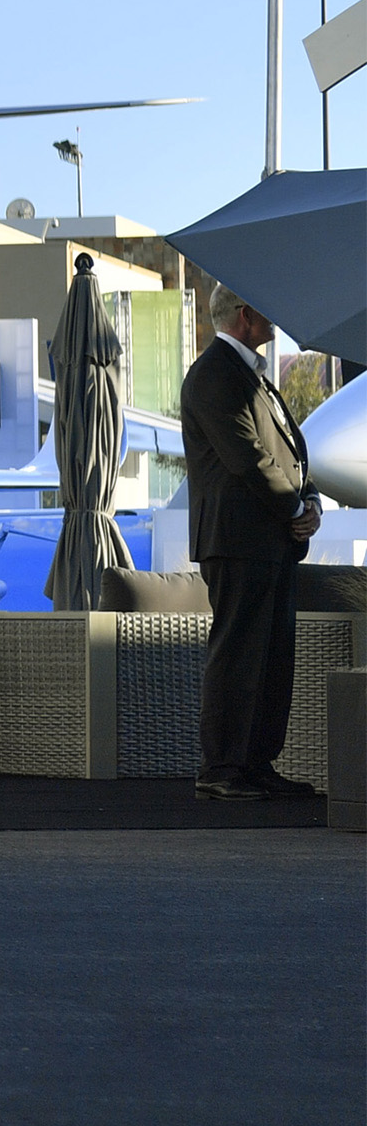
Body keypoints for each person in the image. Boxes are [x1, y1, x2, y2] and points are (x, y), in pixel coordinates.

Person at [183, 283, 320, 801]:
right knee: (238, 654)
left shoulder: (250, 375)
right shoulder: (216, 374)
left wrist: (310, 504)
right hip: (238, 541)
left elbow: (289, 454)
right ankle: (220, 768)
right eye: (268, 308)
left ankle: (256, 763)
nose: (277, 319)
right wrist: (294, 511)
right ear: (245, 315)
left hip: (269, 540)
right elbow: (249, 459)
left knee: (271, 659)